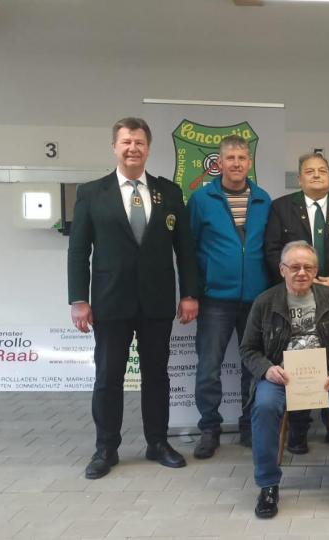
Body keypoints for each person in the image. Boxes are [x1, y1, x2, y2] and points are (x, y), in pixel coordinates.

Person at [68, 117, 199, 480]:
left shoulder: (168, 192)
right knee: (108, 377)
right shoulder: (92, 192)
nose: (133, 148)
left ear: (148, 147)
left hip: (157, 302)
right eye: (126, 142)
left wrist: (189, 293)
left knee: (157, 376)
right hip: (110, 302)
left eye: (139, 142)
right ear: (115, 146)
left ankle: (157, 442)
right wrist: (78, 299)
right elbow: (78, 251)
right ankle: (105, 448)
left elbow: (185, 250)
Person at [240, 241, 329, 519]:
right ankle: (268, 485)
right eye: (294, 267)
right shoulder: (265, 302)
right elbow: (248, 349)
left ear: (316, 270)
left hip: (326, 374)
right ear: (282, 270)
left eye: (308, 267)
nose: (302, 273)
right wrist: (267, 369)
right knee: (265, 406)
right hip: (280, 376)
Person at [264, 153, 329, 453]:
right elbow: (272, 250)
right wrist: (298, 280)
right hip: (295, 297)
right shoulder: (281, 208)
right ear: (299, 178)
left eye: (322, 170)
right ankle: (298, 428)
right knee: (299, 358)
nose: (316, 175)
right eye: (309, 171)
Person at [187, 135, 271, 459]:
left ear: (249, 163)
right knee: (209, 367)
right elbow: (189, 250)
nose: (236, 164)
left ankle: (250, 425)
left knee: (252, 367)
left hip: (256, 300)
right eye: (230, 158)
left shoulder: (263, 200)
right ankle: (209, 429)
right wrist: (193, 293)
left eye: (242, 158)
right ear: (219, 163)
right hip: (215, 300)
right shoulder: (201, 200)